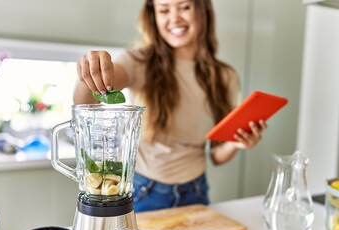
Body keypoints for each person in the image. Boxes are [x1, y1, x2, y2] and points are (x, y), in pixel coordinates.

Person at [74, 0, 267, 212]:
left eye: (184, 7)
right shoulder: (137, 62)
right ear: (153, 16)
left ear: (203, 11)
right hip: (143, 191)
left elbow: (216, 155)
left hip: (196, 191)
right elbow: (85, 102)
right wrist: (90, 74)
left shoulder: (224, 76)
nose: (174, 18)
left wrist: (238, 142)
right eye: (164, 10)